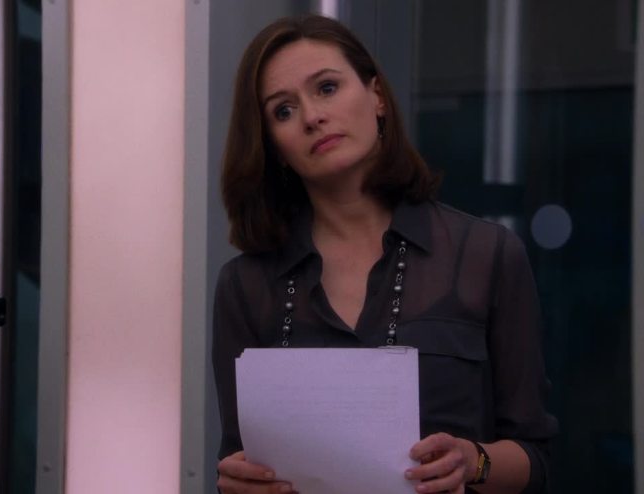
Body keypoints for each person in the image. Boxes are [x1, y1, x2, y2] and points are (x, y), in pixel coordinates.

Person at [212, 13, 558, 494]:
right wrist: (237, 482)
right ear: (272, 145)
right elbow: (236, 461)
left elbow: (536, 458)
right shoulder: (245, 286)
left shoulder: (486, 254)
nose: (312, 116)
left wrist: (473, 461)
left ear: (376, 96)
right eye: (283, 111)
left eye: (327, 88)